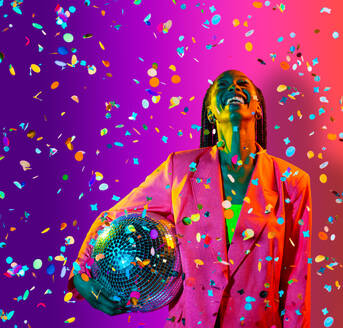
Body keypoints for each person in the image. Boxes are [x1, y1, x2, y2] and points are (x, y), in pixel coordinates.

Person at [67, 70, 312, 327]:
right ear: (210, 112)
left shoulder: (292, 181)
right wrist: (82, 276)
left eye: (242, 84)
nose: (234, 88)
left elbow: (297, 276)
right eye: (224, 85)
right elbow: (114, 217)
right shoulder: (180, 169)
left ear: (258, 108)